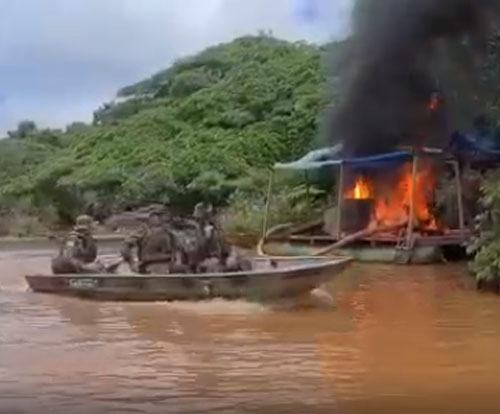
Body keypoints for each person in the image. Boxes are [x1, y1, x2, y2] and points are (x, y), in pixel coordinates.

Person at [121, 209, 179, 274]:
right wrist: (132, 264)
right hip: (153, 267)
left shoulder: (171, 233)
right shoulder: (144, 230)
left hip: (164, 267)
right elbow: (125, 247)